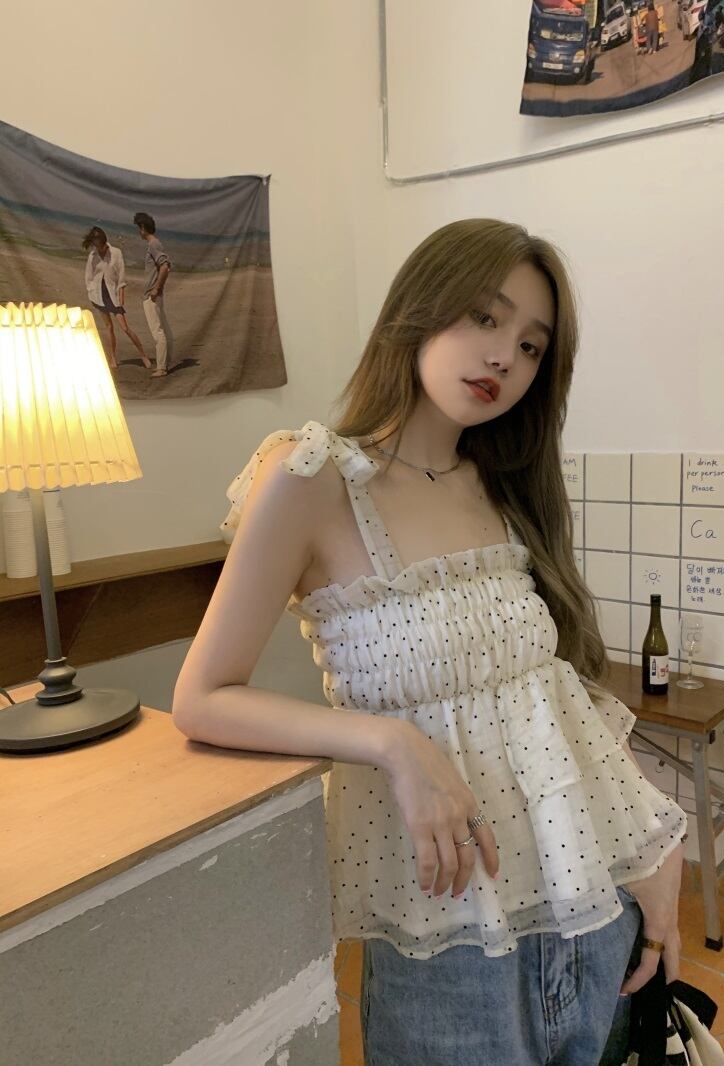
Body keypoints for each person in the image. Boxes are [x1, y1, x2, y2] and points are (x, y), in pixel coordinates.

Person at [173, 219, 687, 1066]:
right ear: (419, 308)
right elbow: (202, 698)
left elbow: (553, 694)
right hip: (446, 930)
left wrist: (657, 854)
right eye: (484, 318)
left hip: (589, 901)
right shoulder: (313, 477)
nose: (504, 358)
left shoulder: (504, 485)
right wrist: (392, 743)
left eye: (531, 346)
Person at [82, 226, 152, 370]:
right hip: (98, 295)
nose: (98, 247)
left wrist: (121, 295)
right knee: (109, 327)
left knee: (125, 328)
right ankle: (112, 357)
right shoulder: (92, 256)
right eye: (95, 244)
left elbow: (121, 276)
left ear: (104, 241)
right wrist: (91, 291)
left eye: (100, 244)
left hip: (112, 294)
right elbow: (88, 277)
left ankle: (143, 355)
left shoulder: (116, 253)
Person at [133, 211, 174, 378]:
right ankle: (164, 364)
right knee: (162, 329)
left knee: (158, 331)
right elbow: (165, 266)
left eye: (139, 228)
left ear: (143, 228)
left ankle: (162, 367)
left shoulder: (153, 244)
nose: (138, 231)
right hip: (154, 294)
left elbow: (165, 267)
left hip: (152, 295)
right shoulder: (155, 244)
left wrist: (156, 288)